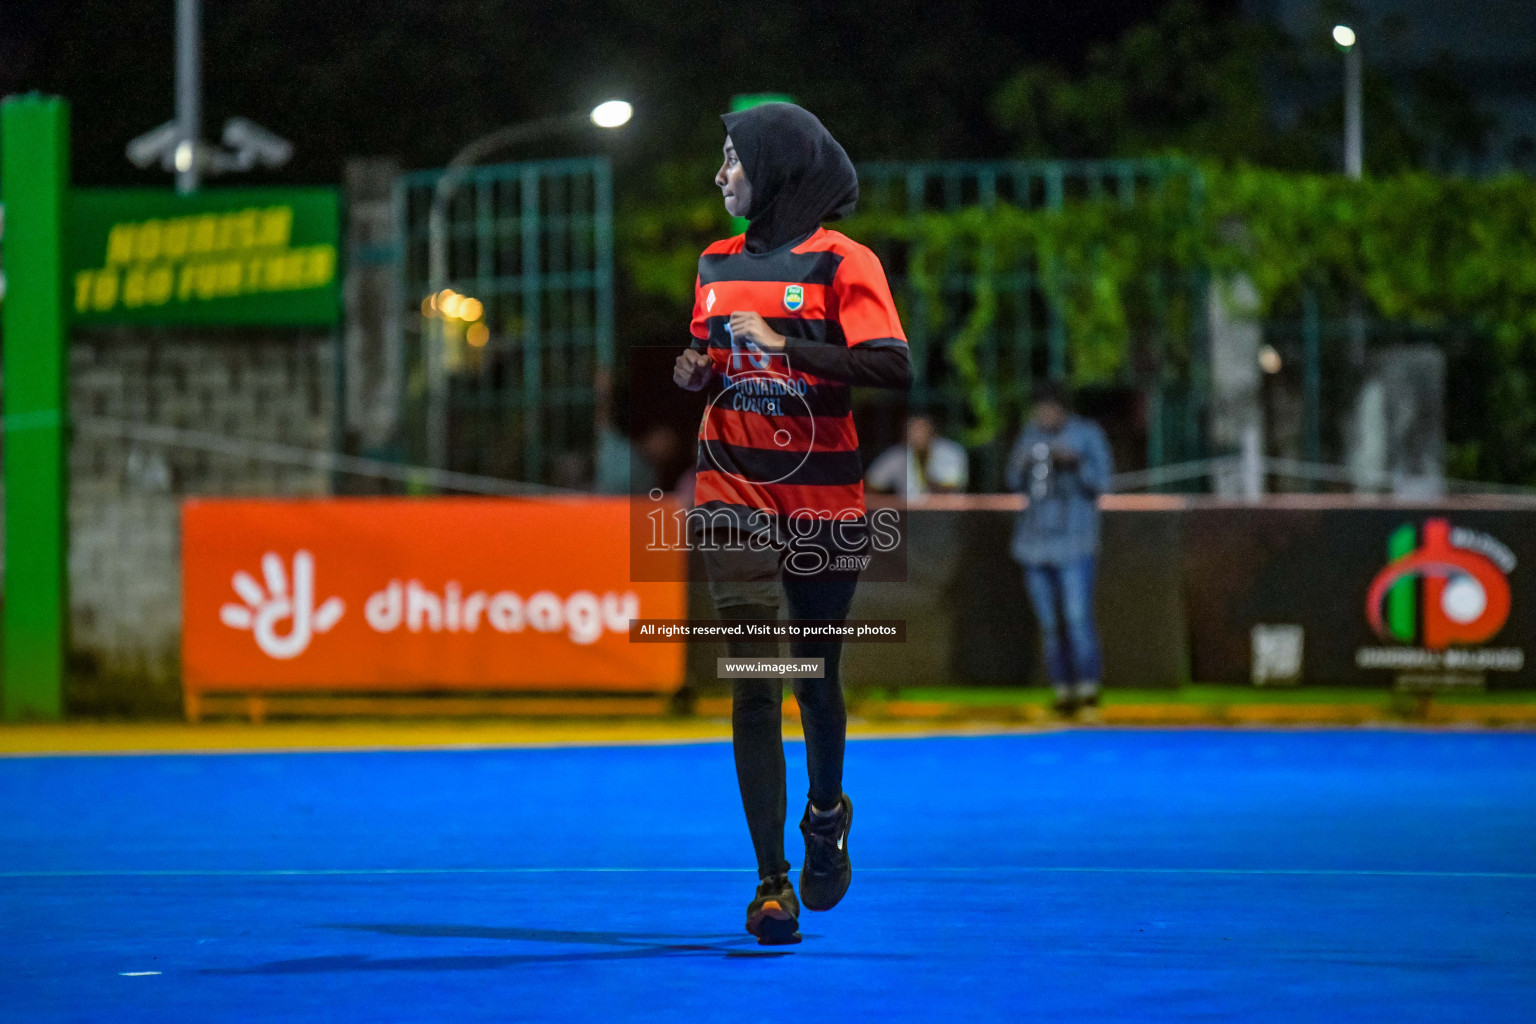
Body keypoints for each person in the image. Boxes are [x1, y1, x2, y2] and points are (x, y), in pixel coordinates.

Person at [672, 103, 911, 945]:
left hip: (825, 499)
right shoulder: (712, 262)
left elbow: (890, 363)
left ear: (773, 168)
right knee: (753, 681)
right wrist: (698, 370)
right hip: (732, 493)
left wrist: (785, 346)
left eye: (731, 160)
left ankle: (826, 813)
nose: (720, 175)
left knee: (814, 679)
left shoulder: (845, 262)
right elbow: (710, 357)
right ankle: (771, 886)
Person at [1004, 382, 1112, 717]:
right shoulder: (1030, 436)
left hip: (1074, 539)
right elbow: (1012, 480)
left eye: (1050, 407)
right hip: (1034, 542)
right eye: (1040, 409)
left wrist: (1076, 463)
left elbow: (1102, 482)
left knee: (1077, 617)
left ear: (1063, 408)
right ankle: (1063, 690)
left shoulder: (1086, 434)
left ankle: (1088, 689)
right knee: (1050, 623)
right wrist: (1026, 461)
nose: (1044, 414)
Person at [865, 411, 969, 498]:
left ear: (931, 430)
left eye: (920, 429)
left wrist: (922, 467)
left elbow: (949, 489)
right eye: (910, 429)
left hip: (944, 514)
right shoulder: (898, 453)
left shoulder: (950, 451)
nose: (915, 434)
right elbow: (870, 484)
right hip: (908, 516)